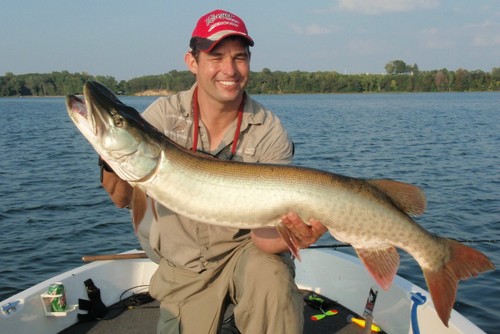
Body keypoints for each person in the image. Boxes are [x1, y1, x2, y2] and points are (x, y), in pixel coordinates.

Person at [101, 9, 327, 334]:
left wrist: (297, 236)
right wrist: (109, 154)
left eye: (240, 57)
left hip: (245, 252)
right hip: (184, 264)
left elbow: (264, 239)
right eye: (216, 57)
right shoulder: (162, 117)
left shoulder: (269, 131)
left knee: (272, 280)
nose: (229, 70)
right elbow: (122, 198)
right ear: (192, 62)